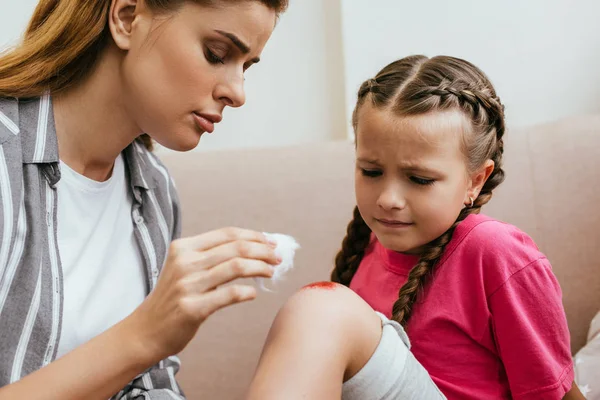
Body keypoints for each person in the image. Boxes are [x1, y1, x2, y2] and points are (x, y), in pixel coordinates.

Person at [245, 55, 585, 400]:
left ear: (475, 181)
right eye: (371, 172)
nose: (388, 199)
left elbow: (552, 393)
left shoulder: (495, 250)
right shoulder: (369, 246)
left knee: (320, 306)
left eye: (419, 179)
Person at [0, 0, 287, 398]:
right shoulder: (4, 163)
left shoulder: (155, 190)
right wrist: (144, 336)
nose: (237, 92)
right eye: (216, 54)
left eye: (246, 66)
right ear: (126, 18)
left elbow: (149, 387)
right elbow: (143, 347)